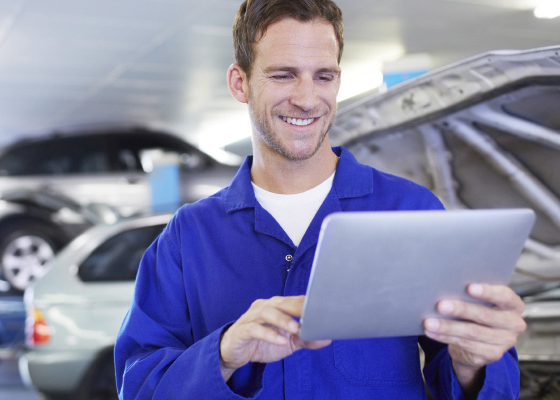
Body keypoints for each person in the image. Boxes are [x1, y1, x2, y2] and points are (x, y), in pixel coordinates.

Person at [114, 0, 526, 398]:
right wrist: (224, 352)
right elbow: (139, 385)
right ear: (240, 82)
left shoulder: (409, 210)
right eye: (283, 75)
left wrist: (472, 363)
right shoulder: (189, 236)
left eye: (323, 76)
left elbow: (473, 376)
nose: (307, 98)